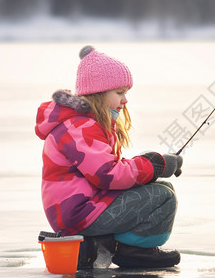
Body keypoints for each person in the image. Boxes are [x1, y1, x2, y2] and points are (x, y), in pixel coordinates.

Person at [35, 45, 183, 269]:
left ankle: (108, 244)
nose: (125, 101)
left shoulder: (86, 123)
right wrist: (155, 165)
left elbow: (106, 168)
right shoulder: (80, 127)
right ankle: (129, 251)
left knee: (164, 189)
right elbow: (106, 175)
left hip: (86, 208)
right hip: (79, 215)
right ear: (99, 93)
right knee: (162, 196)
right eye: (120, 93)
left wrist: (151, 163)